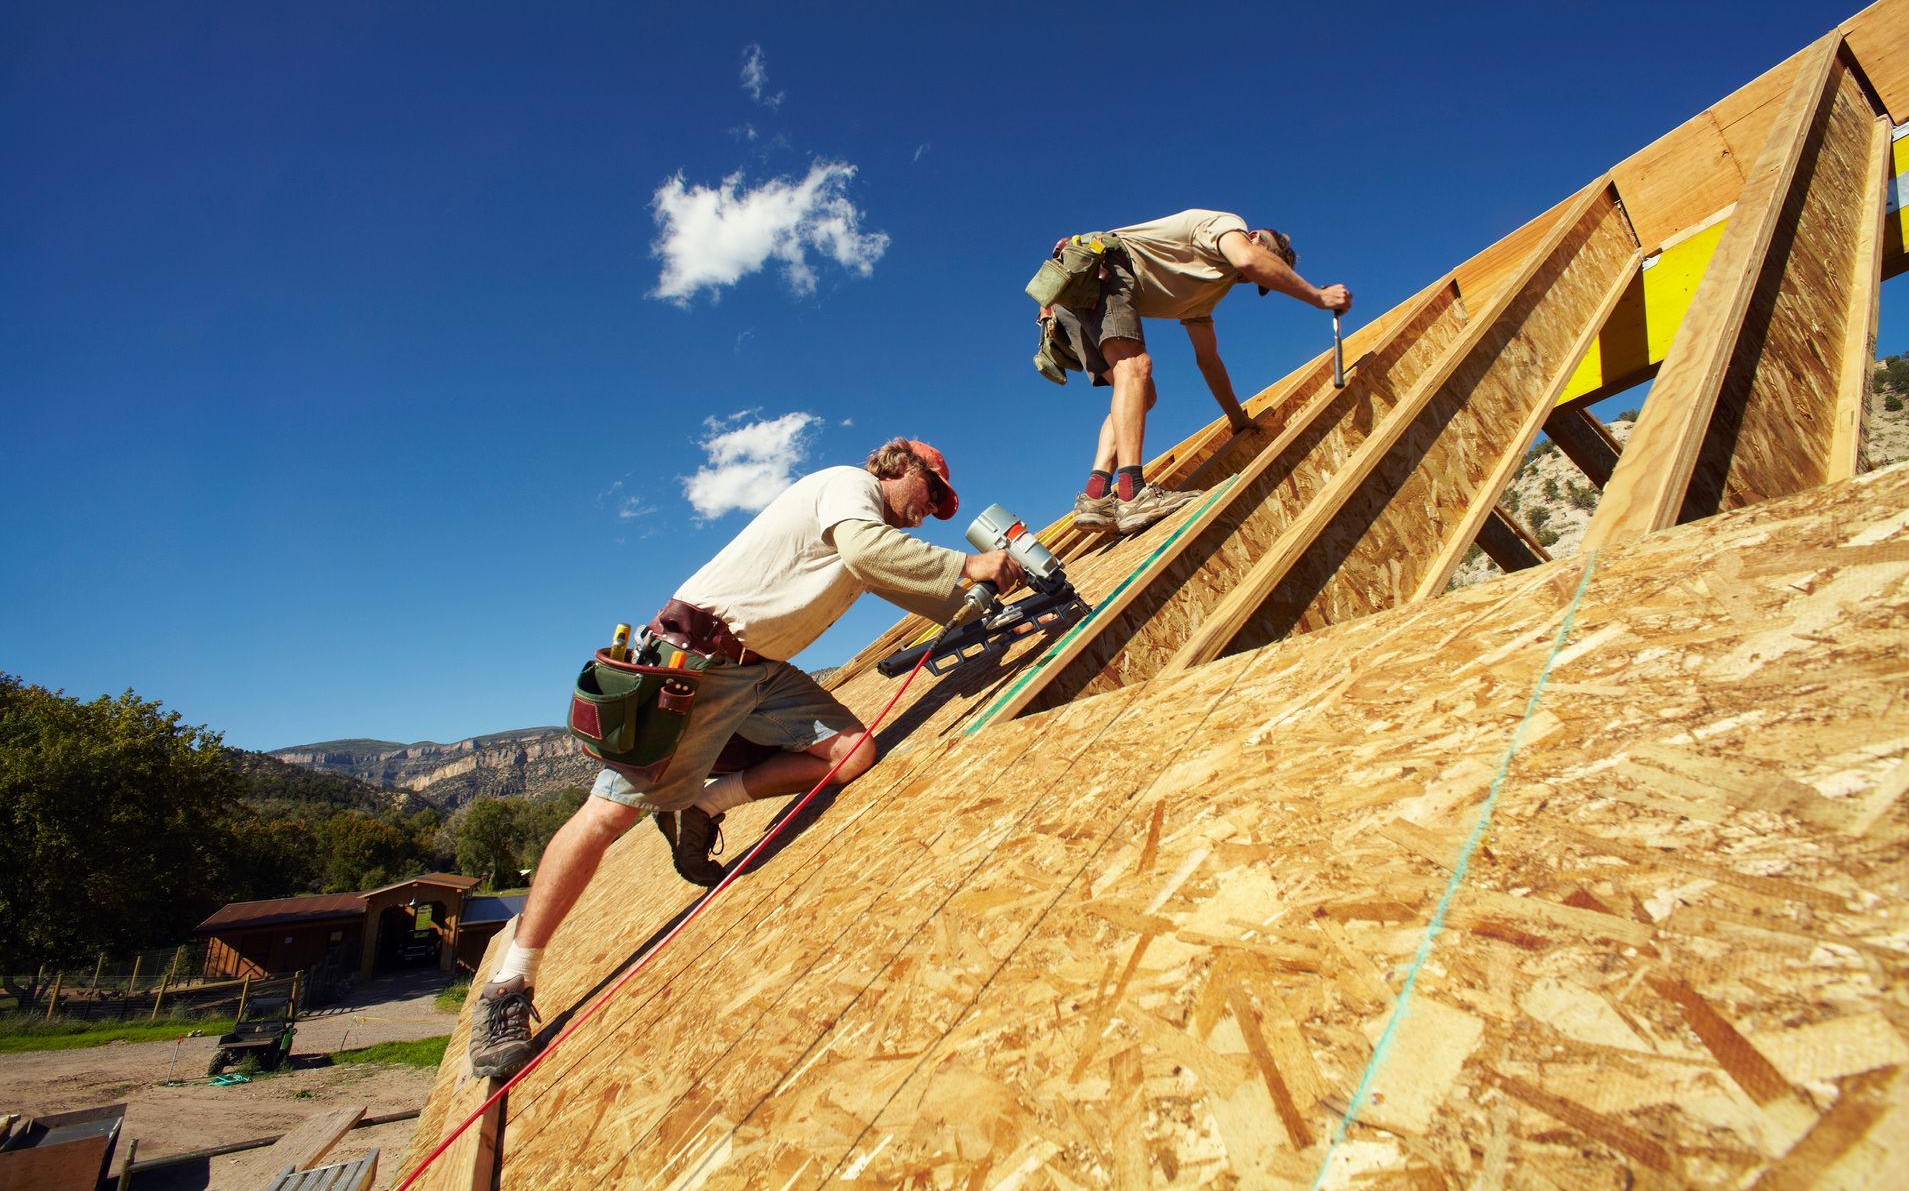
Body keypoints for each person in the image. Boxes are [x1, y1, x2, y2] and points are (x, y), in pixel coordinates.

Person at [468, 438, 1018, 1078]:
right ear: (901, 467)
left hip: (761, 671)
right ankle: (510, 983)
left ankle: (709, 800)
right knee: (605, 815)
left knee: (852, 752)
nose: (931, 510)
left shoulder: (867, 542)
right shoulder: (849, 487)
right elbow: (880, 554)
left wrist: (993, 588)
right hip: (695, 663)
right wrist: (974, 567)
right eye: (933, 493)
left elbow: (912, 581)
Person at [1038, 210, 1351, 535]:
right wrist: (1317, 296)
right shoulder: (1229, 227)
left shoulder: (1207, 291)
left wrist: (1237, 419)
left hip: (1071, 295)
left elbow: (1208, 359)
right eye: (1269, 268)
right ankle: (1133, 494)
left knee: (1140, 392)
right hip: (1100, 268)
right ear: (1258, 240)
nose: (1252, 280)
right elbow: (1246, 259)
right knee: (1135, 367)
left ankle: (1096, 496)